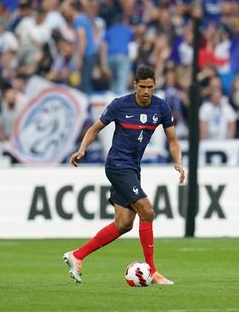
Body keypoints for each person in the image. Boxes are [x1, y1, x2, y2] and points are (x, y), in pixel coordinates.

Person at [63, 65, 184, 285]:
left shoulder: (161, 107)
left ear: (155, 84)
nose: (147, 91)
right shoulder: (120, 105)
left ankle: (77, 255)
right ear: (135, 85)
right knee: (147, 212)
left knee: (124, 223)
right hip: (118, 166)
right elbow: (95, 128)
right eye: (143, 87)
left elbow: (173, 140)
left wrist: (178, 161)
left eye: (150, 86)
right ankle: (153, 272)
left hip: (133, 168)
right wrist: (82, 149)